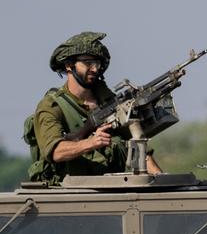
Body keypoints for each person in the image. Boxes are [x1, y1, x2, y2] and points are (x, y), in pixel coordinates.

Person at [27, 31, 162, 184]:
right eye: (87, 63)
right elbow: (55, 151)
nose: (94, 69)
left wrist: (162, 179)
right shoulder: (52, 106)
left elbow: (137, 145)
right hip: (66, 192)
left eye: (97, 63)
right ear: (69, 65)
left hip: (110, 189)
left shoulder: (108, 102)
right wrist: (90, 143)